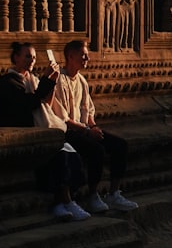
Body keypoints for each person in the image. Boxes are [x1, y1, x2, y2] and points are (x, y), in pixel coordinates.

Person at [0, 41, 90, 221]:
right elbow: (28, 104)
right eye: (27, 56)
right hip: (21, 129)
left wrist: (51, 81)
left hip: (38, 128)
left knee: (70, 152)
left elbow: (46, 102)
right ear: (16, 57)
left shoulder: (32, 79)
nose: (31, 60)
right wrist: (45, 81)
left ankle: (68, 200)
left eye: (34, 57)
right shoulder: (8, 82)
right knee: (58, 154)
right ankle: (63, 202)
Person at [49, 40, 138, 213]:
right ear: (70, 56)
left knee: (120, 145)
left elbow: (88, 110)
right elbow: (62, 118)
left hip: (84, 129)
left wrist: (93, 128)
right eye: (83, 55)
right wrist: (88, 131)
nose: (87, 58)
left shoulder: (81, 80)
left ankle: (113, 192)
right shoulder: (59, 78)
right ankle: (92, 195)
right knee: (96, 150)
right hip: (68, 131)